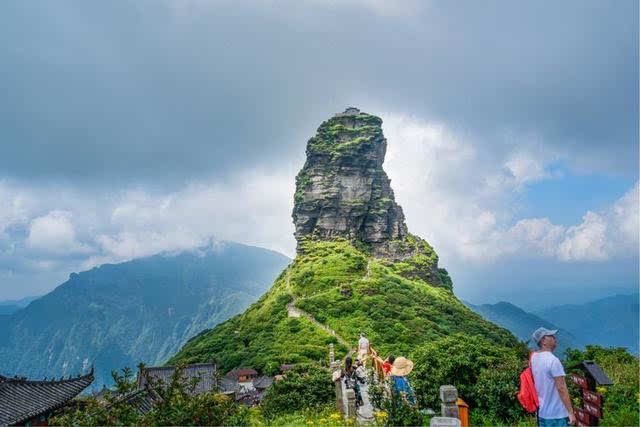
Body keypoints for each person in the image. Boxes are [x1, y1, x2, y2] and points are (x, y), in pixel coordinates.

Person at [530, 327, 576, 426]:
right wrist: (571, 413)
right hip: (557, 415)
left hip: (542, 413)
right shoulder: (553, 361)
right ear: (543, 341)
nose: (555, 338)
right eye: (551, 336)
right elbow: (561, 388)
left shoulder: (534, 358)